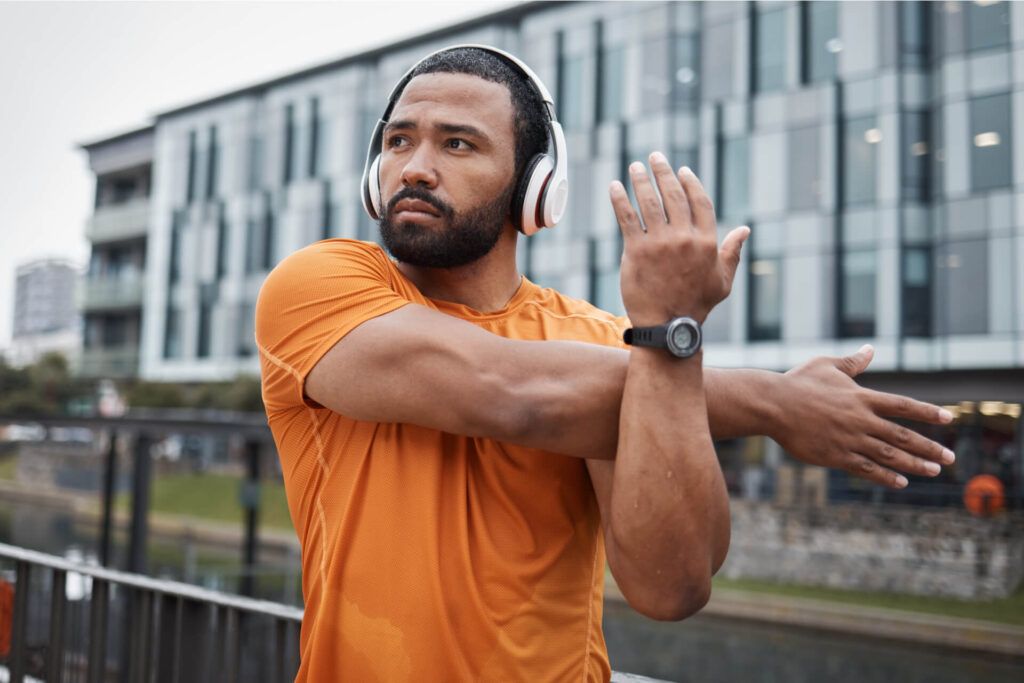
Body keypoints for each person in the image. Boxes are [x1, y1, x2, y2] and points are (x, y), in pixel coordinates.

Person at [256, 45, 956, 682]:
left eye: (458, 143)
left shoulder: (613, 343)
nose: (413, 165)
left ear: (534, 185)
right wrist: (772, 401)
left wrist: (666, 331)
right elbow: (506, 389)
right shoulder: (318, 284)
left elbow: (672, 586)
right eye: (398, 139)